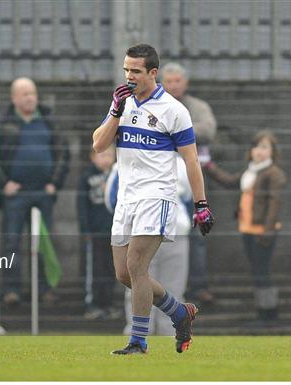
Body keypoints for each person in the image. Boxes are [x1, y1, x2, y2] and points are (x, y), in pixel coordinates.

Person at [92, 43, 214, 355]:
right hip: (127, 199)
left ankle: (138, 341)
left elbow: (191, 161)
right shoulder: (121, 102)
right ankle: (179, 312)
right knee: (125, 274)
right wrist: (116, 111)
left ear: (153, 73)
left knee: (136, 265)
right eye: (126, 70)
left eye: (135, 70)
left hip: (157, 197)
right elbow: (98, 145)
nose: (129, 76)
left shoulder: (173, 110)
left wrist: (201, 204)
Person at [0, 77, 70, 305]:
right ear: (14, 98)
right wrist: (3, 183)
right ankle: (11, 290)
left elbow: (62, 154)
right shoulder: (4, 123)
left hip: (42, 193)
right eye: (25, 94)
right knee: (11, 242)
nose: (30, 98)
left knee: (44, 243)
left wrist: (54, 184)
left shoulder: (49, 121)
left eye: (33, 93)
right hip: (15, 195)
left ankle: (45, 289)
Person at [103, 154, 191, 336]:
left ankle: (171, 333)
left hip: (174, 231)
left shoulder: (178, 162)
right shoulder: (125, 160)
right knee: (136, 281)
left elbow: (188, 197)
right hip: (141, 231)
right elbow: (113, 198)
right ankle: (140, 333)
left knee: (172, 285)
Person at [204, 130, 286, 323]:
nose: (260, 151)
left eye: (265, 147)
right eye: (257, 146)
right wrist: (209, 166)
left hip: (262, 231)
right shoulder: (251, 171)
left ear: (272, 152)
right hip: (247, 228)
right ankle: (264, 310)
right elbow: (230, 181)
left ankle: (269, 313)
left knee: (262, 271)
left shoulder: (273, 173)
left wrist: (267, 230)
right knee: (258, 271)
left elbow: (274, 203)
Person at [161, 62, 218, 305]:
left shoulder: (197, 106)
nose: (174, 86)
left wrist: (176, 131)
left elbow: (208, 130)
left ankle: (197, 285)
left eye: (178, 81)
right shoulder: (155, 104)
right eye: (169, 81)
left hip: (191, 178)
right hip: (163, 178)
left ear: (186, 83)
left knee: (195, 236)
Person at [77, 146, 120, 320]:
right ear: (92, 157)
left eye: (109, 155)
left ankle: (108, 303)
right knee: (95, 269)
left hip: (114, 231)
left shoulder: (118, 176)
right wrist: (85, 229)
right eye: (101, 155)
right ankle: (92, 304)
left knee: (112, 269)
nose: (106, 159)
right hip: (95, 232)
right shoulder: (86, 178)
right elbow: (81, 205)